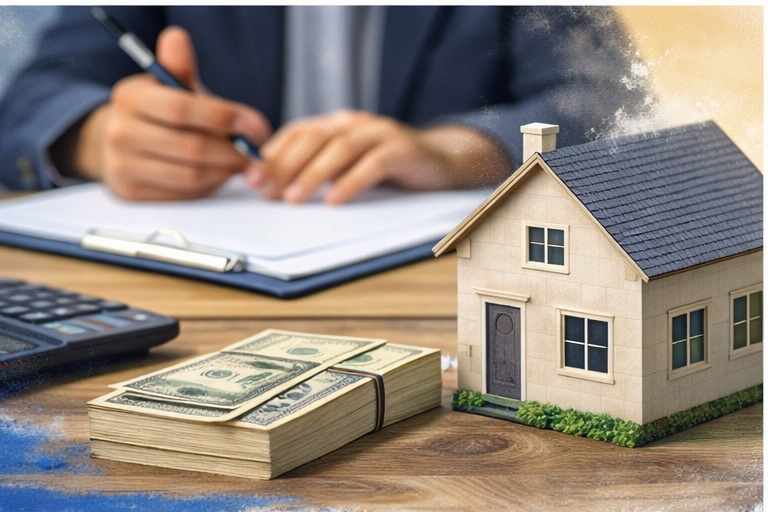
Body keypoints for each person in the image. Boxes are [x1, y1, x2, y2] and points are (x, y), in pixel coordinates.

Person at [0, 6, 648, 203]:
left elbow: (613, 102)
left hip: (427, 290)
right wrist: (98, 134)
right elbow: (35, 97)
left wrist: (461, 148)